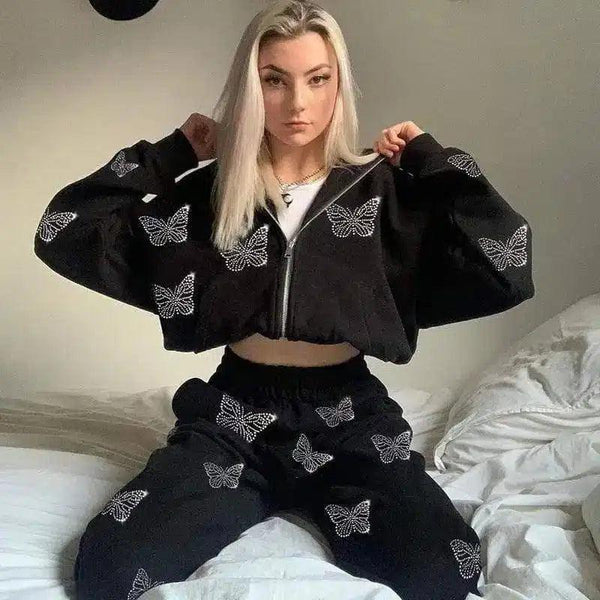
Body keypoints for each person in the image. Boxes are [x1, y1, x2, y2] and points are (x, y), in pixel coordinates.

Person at [34, 1, 535, 598]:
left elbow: (507, 262)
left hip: (349, 415)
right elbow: (63, 231)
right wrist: (171, 154)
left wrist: (435, 163)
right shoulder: (216, 195)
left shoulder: (382, 193)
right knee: (109, 568)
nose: (298, 102)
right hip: (235, 413)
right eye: (275, 80)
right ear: (251, 89)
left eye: (317, 79)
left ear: (338, 86)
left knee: (445, 571)